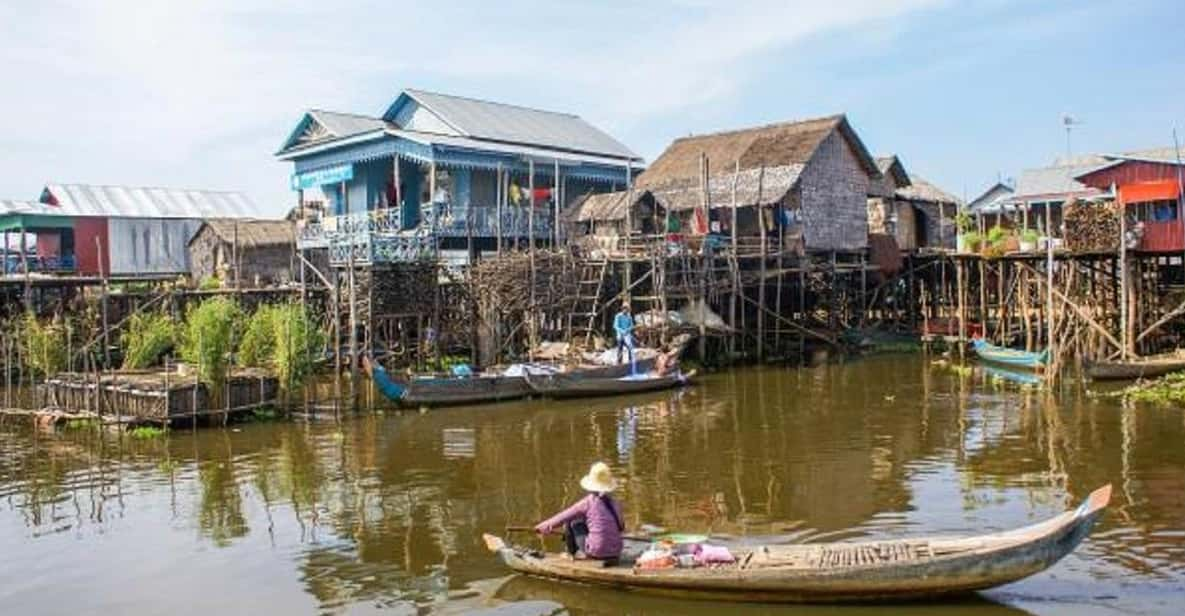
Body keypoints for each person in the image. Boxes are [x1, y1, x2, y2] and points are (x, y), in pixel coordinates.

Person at [534, 462, 625, 563]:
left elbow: (563, 517)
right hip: (616, 550)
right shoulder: (615, 503)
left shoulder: (587, 502)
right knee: (585, 521)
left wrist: (544, 526)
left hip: (596, 551)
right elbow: (621, 526)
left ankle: (570, 553)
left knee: (572, 521)